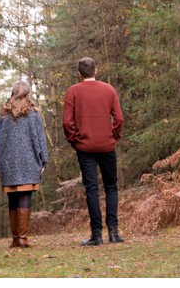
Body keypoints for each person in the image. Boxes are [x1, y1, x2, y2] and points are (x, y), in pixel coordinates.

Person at [63, 57, 125, 245]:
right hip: (106, 145)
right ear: (95, 71)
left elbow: (67, 122)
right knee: (111, 187)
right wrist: (113, 136)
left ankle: (96, 235)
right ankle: (113, 233)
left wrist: (74, 139)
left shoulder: (73, 91)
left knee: (91, 189)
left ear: (79, 73)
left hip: (85, 147)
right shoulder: (109, 90)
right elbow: (119, 119)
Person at [0, 80, 48, 248]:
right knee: (24, 197)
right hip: (29, 161)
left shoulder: (3, 116)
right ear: (27, 93)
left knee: (13, 199)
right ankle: (22, 238)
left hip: (8, 163)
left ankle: (16, 238)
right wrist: (43, 159)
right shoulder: (33, 114)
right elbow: (41, 140)